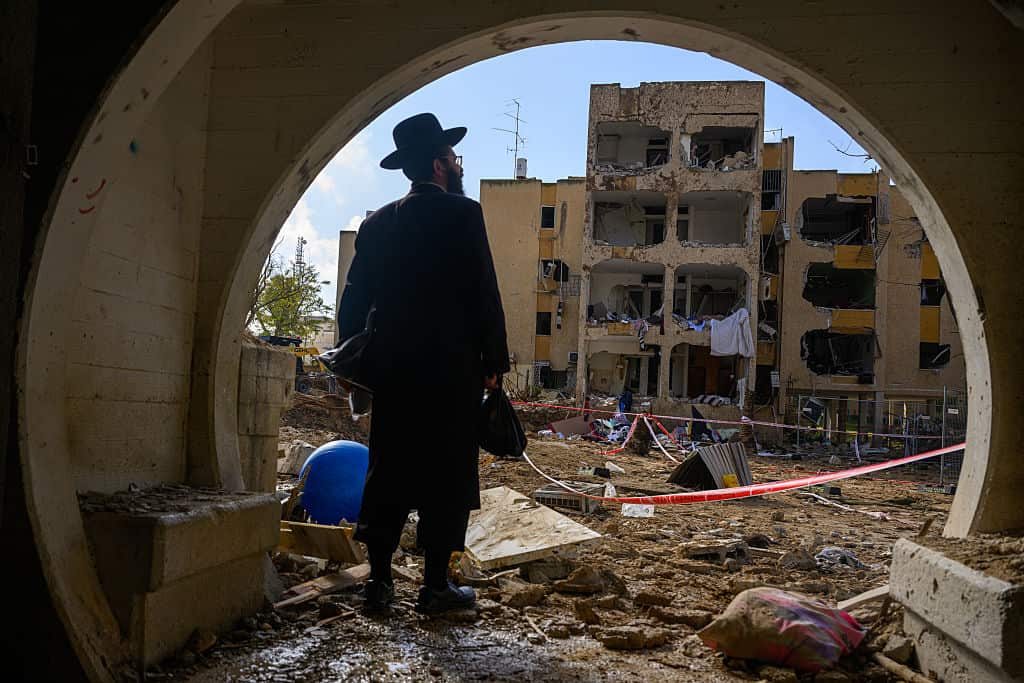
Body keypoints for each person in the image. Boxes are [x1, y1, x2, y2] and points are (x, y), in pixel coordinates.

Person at [336, 113, 510, 614]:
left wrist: (357, 361)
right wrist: (493, 360)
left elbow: (352, 303)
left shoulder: (375, 224)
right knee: (446, 476)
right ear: (438, 165)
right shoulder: (464, 215)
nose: (457, 164)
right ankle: (435, 588)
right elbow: (485, 294)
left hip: (393, 371)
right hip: (452, 372)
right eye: (453, 158)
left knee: (387, 471)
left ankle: (380, 586)